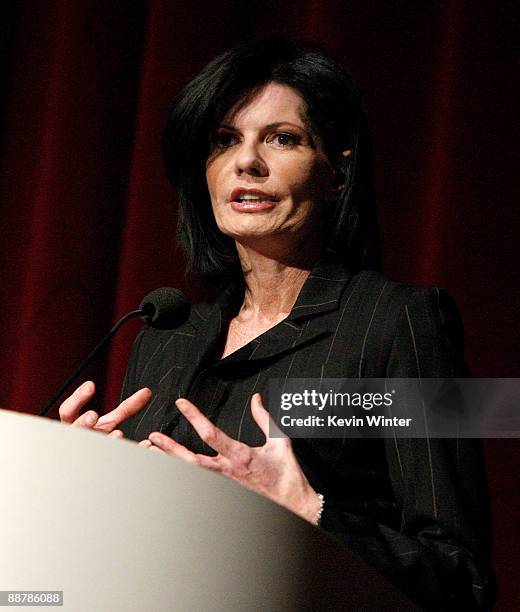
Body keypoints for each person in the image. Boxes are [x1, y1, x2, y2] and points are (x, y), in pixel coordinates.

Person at [59, 35, 496, 609]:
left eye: (282, 139)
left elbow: (463, 579)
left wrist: (307, 510)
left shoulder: (406, 322)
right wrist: (78, 487)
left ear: (336, 172)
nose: (246, 162)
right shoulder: (164, 337)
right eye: (224, 141)